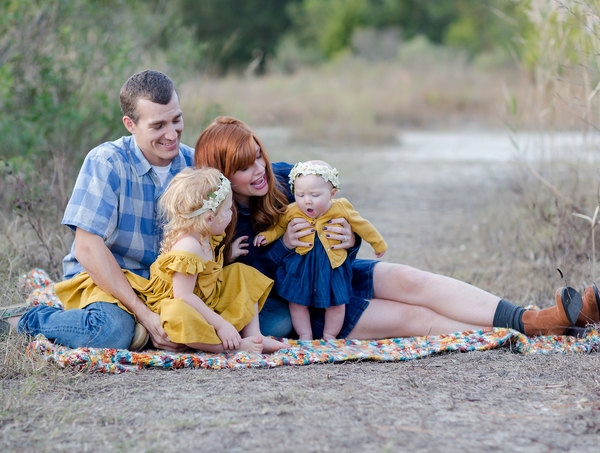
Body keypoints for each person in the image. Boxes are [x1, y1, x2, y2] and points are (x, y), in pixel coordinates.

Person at [194, 116, 600, 340]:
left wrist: (350, 241)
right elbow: (237, 287)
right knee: (408, 316)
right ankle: (531, 333)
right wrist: (280, 248)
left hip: (336, 272)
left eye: (257, 157)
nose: (258, 170)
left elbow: (337, 216)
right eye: (243, 168)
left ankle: (534, 318)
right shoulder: (218, 219)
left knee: (411, 279)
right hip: (300, 303)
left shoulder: (286, 178)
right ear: (223, 175)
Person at [0, 69, 191, 351]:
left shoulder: (193, 164)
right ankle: (29, 320)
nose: (171, 134)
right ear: (130, 124)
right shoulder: (107, 162)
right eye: (158, 126)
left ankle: (142, 328)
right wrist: (143, 312)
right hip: (105, 278)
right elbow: (87, 248)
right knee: (110, 333)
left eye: (176, 120)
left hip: (163, 284)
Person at [139, 167, 285, 353]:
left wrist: (229, 255)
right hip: (183, 305)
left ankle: (254, 335)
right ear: (209, 218)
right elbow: (183, 296)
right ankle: (227, 347)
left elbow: (207, 271)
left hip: (205, 298)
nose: (232, 214)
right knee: (178, 315)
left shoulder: (204, 233)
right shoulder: (188, 247)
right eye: (228, 210)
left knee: (241, 272)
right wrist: (221, 324)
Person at [253, 160, 387, 340]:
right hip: (300, 266)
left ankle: (330, 335)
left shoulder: (341, 207)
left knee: (336, 304)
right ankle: (305, 334)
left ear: (332, 193)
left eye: (315, 195)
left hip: (331, 267)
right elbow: (278, 227)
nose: (306, 200)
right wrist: (267, 236)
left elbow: (362, 226)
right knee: (296, 302)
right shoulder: (292, 210)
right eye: (300, 195)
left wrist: (378, 243)